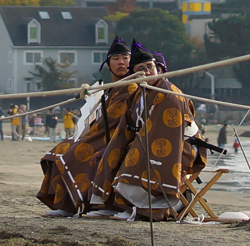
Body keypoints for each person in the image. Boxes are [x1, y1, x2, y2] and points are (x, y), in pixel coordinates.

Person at [87, 41, 206, 221]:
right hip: (145, 141)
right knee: (111, 153)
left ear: (158, 69)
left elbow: (167, 131)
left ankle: (143, 207)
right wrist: (114, 147)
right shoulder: (136, 94)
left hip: (182, 146)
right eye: (140, 68)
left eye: (149, 67)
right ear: (134, 73)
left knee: (136, 155)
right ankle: (111, 204)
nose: (146, 71)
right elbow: (124, 129)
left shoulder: (169, 93)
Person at [37, 37, 138, 217]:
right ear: (108, 65)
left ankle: (86, 204)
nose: (121, 62)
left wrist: (88, 137)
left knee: (73, 153)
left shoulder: (132, 87)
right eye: (116, 58)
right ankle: (66, 205)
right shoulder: (110, 88)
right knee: (59, 150)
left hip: (118, 137)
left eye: (125, 58)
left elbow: (117, 122)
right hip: (101, 134)